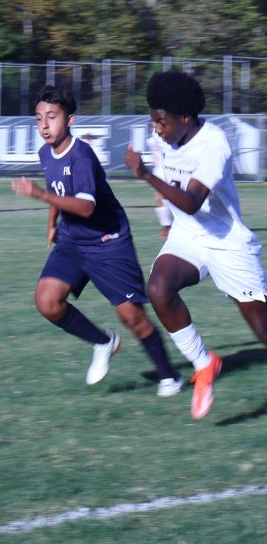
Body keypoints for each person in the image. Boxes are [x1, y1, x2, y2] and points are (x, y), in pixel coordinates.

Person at [12, 85, 183, 397]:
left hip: (108, 242)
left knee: (132, 316)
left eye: (51, 117)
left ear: (71, 120)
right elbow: (59, 190)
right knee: (47, 301)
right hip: (72, 241)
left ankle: (169, 376)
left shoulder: (82, 155)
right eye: (38, 119)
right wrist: (51, 223)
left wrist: (38, 194)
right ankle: (103, 342)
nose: (44, 125)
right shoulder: (45, 153)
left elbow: (86, 207)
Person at [125, 70, 267, 419]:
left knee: (264, 331)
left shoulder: (214, 144)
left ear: (185, 117)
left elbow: (190, 201)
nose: (155, 129)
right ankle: (204, 365)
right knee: (158, 288)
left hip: (226, 242)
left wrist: (146, 175)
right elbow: (183, 210)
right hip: (188, 234)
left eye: (161, 121)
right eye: (152, 120)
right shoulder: (163, 136)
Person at [147, 132, 173, 237]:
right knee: (159, 198)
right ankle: (167, 227)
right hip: (158, 172)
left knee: (168, 198)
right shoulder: (150, 140)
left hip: (171, 172)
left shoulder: (170, 138)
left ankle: (171, 226)